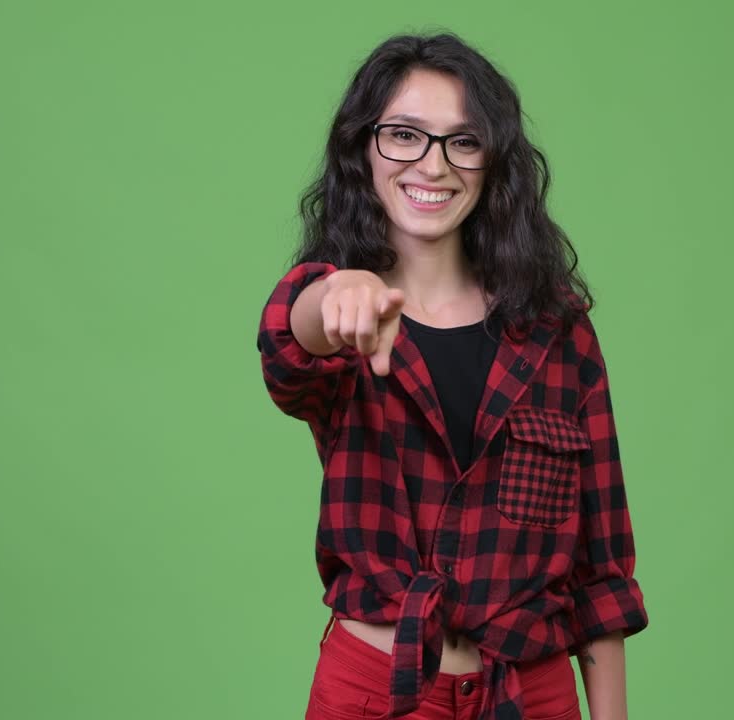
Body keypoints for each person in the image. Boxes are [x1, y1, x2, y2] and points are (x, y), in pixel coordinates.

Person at [257, 32, 648, 720]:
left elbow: (601, 566)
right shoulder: (347, 316)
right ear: (363, 150)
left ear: (494, 163)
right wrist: (334, 295)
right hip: (377, 691)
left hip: (530, 694)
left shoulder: (558, 331)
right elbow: (291, 347)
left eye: (461, 142)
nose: (432, 165)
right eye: (404, 136)